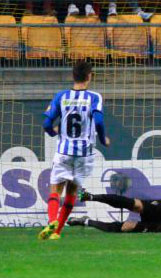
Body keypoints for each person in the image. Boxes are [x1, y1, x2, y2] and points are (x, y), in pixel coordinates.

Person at [38, 61, 111, 240]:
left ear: (73, 76)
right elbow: (99, 122)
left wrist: (53, 131)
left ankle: (51, 221)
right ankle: (57, 232)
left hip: (64, 152)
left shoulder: (61, 96)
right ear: (89, 76)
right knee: (72, 191)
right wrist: (103, 140)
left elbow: (46, 124)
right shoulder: (94, 97)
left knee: (56, 189)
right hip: (84, 154)